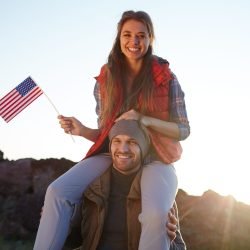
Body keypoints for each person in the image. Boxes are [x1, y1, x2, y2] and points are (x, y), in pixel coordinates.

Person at [34, 10, 190, 250]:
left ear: (150, 39)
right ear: (119, 38)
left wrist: (144, 120)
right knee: (57, 191)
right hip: (114, 154)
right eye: (127, 35)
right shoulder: (105, 79)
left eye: (141, 35)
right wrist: (83, 130)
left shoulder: (166, 77)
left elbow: (183, 130)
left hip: (156, 158)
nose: (134, 42)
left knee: (156, 216)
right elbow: (109, 134)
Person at [65, 119, 186, 250]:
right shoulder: (91, 187)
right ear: (110, 145)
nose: (123, 149)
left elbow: (179, 247)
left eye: (132, 142)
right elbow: (77, 239)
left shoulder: (156, 192)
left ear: (143, 148)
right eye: (117, 141)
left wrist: (168, 241)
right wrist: (65, 218)